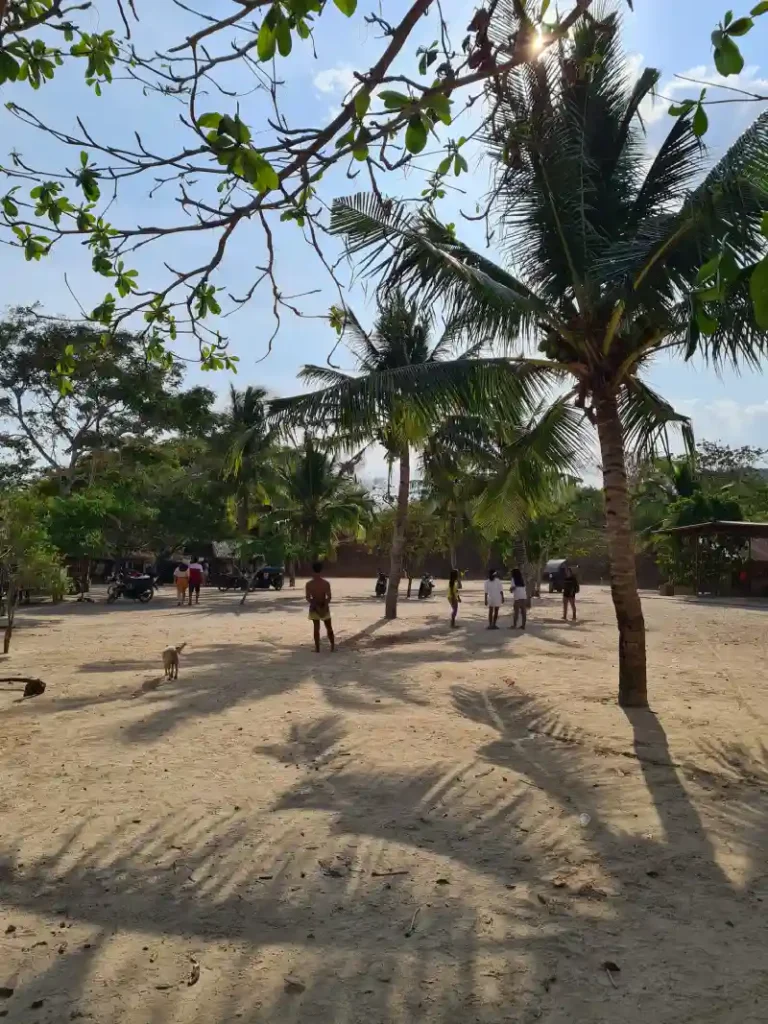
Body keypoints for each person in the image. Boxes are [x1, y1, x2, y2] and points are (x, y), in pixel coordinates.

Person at [306, 561, 335, 652]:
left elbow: (308, 598)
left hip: (314, 607)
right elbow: (329, 597)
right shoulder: (326, 583)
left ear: (312, 571)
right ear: (321, 570)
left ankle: (317, 648)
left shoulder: (309, 584)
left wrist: (315, 605)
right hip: (324, 606)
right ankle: (332, 647)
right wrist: (324, 606)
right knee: (329, 627)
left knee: (316, 628)